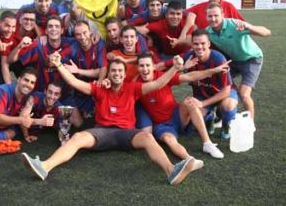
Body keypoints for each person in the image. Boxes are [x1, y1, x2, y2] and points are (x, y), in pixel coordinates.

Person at [21, 51, 205, 186]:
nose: (116, 73)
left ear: (125, 75)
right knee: (77, 138)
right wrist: (60, 65)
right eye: (113, 71)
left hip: (127, 133)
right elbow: (75, 82)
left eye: (120, 71)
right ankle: (44, 166)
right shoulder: (99, 88)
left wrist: (174, 67)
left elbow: (158, 83)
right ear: (109, 74)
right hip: (102, 132)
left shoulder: (133, 88)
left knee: (148, 137)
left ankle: (171, 170)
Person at [135, 51, 228, 159]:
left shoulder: (162, 76)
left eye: (148, 65)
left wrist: (214, 70)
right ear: (137, 68)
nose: (145, 69)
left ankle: (207, 143)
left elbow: (190, 76)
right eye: (141, 66)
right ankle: (189, 160)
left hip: (177, 115)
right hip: (161, 126)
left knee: (190, 102)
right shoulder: (136, 85)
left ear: (153, 67)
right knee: (169, 140)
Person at [205, 2, 271, 120]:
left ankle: (250, 124)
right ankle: (221, 117)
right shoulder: (208, 32)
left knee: (244, 94)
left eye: (216, 15)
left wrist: (249, 27)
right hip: (234, 60)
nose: (213, 19)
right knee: (217, 84)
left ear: (222, 15)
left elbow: (266, 32)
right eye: (210, 16)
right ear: (206, 17)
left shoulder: (234, 25)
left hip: (251, 59)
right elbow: (196, 42)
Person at [180, 29, 239, 140]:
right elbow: (173, 75)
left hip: (223, 93)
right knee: (193, 119)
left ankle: (226, 125)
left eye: (203, 43)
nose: (199, 47)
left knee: (228, 105)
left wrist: (202, 104)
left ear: (208, 44)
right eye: (196, 44)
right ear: (191, 44)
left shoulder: (218, 59)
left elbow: (226, 91)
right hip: (202, 94)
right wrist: (183, 67)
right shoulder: (188, 57)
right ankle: (210, 117)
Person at [64, 20, 108, 117]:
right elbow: (58, 60)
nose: (82, 37)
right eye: (78, 34)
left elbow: (103, 69)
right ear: (75, 36)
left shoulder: (99, 44)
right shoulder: (73, 48)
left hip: (98, 85)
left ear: (90, 31)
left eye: (84, 33)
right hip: (81, 87)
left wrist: (78, 71)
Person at [135, 1, 194, 70]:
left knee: (191, 52)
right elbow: (140, 29)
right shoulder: (161, 24)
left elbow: (190, 43)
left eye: (178, 14)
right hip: (166, 56)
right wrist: (148, 36)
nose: (175, 17)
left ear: (182, 15)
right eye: (172, 13)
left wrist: (179, 42)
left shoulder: (187, 23)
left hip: (185, 56)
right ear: (166, 15)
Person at [180, 0, 245, 37]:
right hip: (204, 47)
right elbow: (180, 13)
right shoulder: (198, 8)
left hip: (225, 47)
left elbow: (242, 24)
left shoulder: (229, 7)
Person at [0, 9, 37, 89]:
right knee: (0, 88)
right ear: (20, 20)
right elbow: (5, 64)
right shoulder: (10, 32)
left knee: (28, 85)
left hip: (20, 59)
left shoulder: (35, 32)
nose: (28, 22)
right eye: (25, 19)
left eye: (32, 20)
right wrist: (9, 87)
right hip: (3, 59)